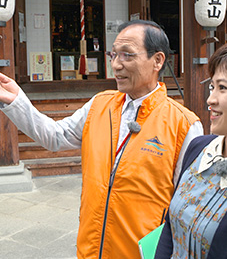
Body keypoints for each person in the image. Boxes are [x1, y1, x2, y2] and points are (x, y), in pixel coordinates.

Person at [0, 20, 203, 259]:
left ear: (158, 60)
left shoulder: (184, 124)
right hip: (91, 249)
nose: (116, 65)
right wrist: (15, 101)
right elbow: (56, 137)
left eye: (127, 55)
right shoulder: (99, 105)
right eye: (113, 55)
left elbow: (189, 207)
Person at [155, 39, 227, 259]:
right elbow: (170, 226)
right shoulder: (199, 148)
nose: (210, 99)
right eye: (212, 87)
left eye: (223, 88)